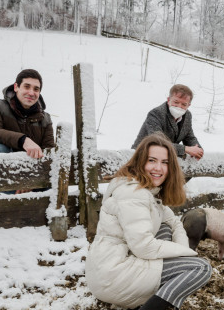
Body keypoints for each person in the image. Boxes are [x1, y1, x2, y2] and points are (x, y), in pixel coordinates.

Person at [86, 133, 212, 310]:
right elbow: (144, 247)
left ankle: (150, 301)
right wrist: (186, 254)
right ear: (140, 162)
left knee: (165, 228)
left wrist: (183, 253)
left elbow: (174, 223)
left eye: (165, 162)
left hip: (111, 267)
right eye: (152, 160)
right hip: (112, 274)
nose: (158, 168)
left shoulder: (147, 192)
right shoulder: (134, 194)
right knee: (200, 269)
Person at [0, 69, 55, 196]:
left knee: (50, 176)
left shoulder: (45, 119)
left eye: (36, 89)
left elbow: (49, 151)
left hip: (30, 177)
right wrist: (23, 140)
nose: (31, 92)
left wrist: (28, 182)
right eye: (27, 86)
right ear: (16, 87)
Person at [132, 84, 203, 160]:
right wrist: (185, 149)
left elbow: (189, 137)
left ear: (188, 105)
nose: (179, 106)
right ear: (168, 100)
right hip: (141, 157)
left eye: (184, 104)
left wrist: (198, 150)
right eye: (176, 102)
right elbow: (157, 142)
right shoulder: (155, 114)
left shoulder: (187, 116)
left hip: (165, 160)